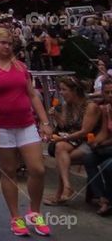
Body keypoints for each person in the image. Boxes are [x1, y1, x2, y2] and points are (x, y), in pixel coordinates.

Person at [0, 27, 52, 237]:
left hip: (26, 123)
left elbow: (33, 95)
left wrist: (44, 121)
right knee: (9, 171)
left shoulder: (20, 66)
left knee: (37, 168)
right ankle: (15, 216)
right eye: (3, 43)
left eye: (10, 43)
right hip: (1, 125)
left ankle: (34, 212)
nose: (8, 47)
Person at [44, 76, 101, 206]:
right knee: (60, 150)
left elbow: (85, 131)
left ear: (74, 90)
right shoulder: (66, 105)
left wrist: (63, 138)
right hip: (73, 140)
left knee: (61, 155)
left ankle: (61, 193)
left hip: (89, 141)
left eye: (64, 90)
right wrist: (56, 115)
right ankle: (67, 188)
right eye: (61, 90)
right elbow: (64, 126)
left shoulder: (90, 106)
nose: (61, 93)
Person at [81, 78, 112, 216]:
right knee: (89, 158)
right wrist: (95, 142)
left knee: (107, 165)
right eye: (107, 92)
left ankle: (109, 200)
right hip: (108, 146)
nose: (110, 95)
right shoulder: (106, 109)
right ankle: (101, 197)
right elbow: (104, 133)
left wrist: (103, 143)